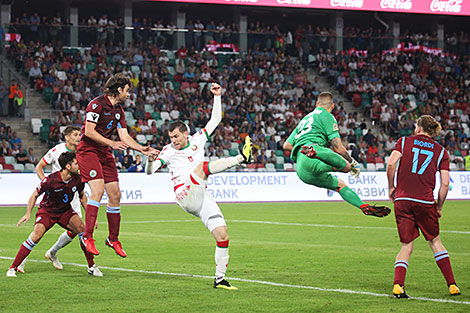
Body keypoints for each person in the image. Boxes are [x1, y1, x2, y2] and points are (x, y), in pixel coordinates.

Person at [146, 83, 252, 290]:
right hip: (184, 194)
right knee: (202, 168)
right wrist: (150, 160)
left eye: (176, 136)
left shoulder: (198, 140)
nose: (173, 141)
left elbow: (215, 120)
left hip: (201, 195)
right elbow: (149, 172)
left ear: (186, 133)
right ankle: (241, 158)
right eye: (171, 138)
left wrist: (218, 96)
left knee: (223, 236)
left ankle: (220, 279)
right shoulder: (167, 151)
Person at [77, 73, 157, 257]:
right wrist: (111, 143)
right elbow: (89, 131)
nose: (129, 94)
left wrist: (141, 150)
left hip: (104, 152)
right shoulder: (96, 104)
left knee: (115, 194)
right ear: (119, 89)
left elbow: (124, 136)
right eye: (127, 90)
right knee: (97, 190)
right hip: (88, 150)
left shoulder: (119, 110)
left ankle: (113, 239)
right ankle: (87, 236)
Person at [386, 115, 460, 298]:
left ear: (419, 128)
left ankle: (398, 285)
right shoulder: (442, 152)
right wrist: (439, 207)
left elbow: (390, 163)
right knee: (435, 242)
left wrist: (391, 187)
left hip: (403, 200)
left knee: (406, 246)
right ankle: (452, 285)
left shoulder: (404, 142)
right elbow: (444, 184)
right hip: (426, 202)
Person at [283, 91, 390, 217]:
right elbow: (338, 148)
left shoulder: (304, 120)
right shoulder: (327, 116)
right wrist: (353, 162)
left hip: (302, 169)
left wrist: (300, 150)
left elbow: (286, 145)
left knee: (339, 185)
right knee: (346, 167)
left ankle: (364, 206)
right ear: (332, 106)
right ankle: (315, 152)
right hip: (316, 150)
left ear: (317, 103)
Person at [6, 152, 102, 277]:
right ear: (67, 166)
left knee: (82, 230)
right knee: (36, 236)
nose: (79, 166)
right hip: (47, 212)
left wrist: (91, 217)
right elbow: (34, 195)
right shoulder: (50, 180)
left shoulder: (78, 179)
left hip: (65, 211)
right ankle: (13, 267)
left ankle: (91, 267)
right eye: (76, 163)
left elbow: (82, 196)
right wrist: (28, 213)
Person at [17, 126, 84, 272]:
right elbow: (39, 167)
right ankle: (22, 260)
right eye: (75, 135)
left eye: (79, 134)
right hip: (55, 197)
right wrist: (47, 184)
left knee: (77, 230)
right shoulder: (56, 150)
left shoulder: (82, 151)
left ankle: (53, 252)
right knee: (39, 231)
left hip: (72, 195)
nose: (79, 137)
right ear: (67, 137)